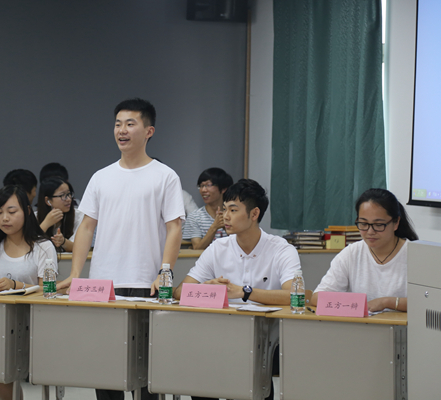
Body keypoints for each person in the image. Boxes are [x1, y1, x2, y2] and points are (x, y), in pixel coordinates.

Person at [57, 98, 185, 400]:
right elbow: (86, 228)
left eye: (130, 124)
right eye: (117, 124)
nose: (121, 130)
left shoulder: (165, 176)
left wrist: (165, 272)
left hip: (146, 283)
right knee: (106, 369)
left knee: (147, 373)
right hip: (103, 286)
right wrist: (76, 273)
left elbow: (174, 228)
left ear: (149, 131)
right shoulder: (101, 177)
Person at [174, 179, 301, 400]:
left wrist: (245, 292)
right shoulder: (218, 248)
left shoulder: (281, 249)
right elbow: (178, 292)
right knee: (200, 374)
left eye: (233, 210)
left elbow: (295, 296)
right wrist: (206, 289)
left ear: (254, 214)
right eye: (224, 210)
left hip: (265, 343)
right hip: (219, 338)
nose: (225, 216)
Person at [0, 185, 57, 400]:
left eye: (11, 212)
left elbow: (48, 291)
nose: (4, 218)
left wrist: (16, 285)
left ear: (27, 211)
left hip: (28, 323)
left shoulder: (43, 246)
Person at [311, 188, 418, 312]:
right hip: (364, 324)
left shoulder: (415, 255)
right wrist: (355, 304)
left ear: (396, 223)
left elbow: (428, 302)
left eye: (378, 225)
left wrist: (386, 302)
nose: (370, 232)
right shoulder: (351, 253)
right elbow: (317, 298)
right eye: (363, 224)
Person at [182, 167, 233, 250]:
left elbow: (243, 244)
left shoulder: (234, 214)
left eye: (208, 185)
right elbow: (197, 248)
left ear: (223, 188)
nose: (203, 190)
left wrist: (228, 228)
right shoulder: (195, 217)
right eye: (201, 186)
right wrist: (214, 227)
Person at [36, 177, 84, 252]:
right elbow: (28, 245)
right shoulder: (34, 217)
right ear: (48, 200)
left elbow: (81, 247)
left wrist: (63, 241)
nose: (68, 199)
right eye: (62, 195)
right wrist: (46, 224)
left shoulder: (79, 216)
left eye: (69, 194)